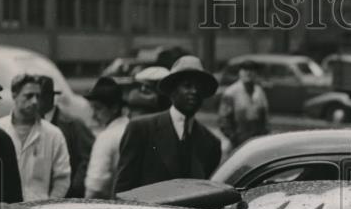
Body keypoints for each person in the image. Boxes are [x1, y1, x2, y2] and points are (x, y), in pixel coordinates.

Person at [115, 56, 221, 193]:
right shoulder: (142, 129)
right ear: (172, 91)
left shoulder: (210, 142)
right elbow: (123, 189)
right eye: (187, 86)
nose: (194, 92)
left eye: (199, 87)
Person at [0, 74, 71, 200]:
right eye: (29, 96)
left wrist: (51, 206)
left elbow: (62, 177)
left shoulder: (53, 134)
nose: (35, 101)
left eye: (38, 96)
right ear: (14, 95)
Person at [39, 76, 95, 198]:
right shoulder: (30, 124)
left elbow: (88, 158)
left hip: (66, 197)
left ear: (50, 97)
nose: (34, 101)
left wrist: (74, 188)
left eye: (39, 96)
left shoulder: (74, 125)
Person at [83, 77, 127, 200]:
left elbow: (96, 186)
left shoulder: (106, 137)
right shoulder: (132, 128)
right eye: (92, 108)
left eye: (98, 108)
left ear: (114, 108)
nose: (94, 115)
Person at [219, 58, 269, 150]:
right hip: (238, 145)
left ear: (256, 73)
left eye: (252, 70)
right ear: (239, 72)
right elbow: (224, 121)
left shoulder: (259, 91)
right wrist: (235, 139)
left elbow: (265, 119)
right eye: (245, 70)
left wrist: (264, 138)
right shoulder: (231, 93)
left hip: (257, 143)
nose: (248, 73)